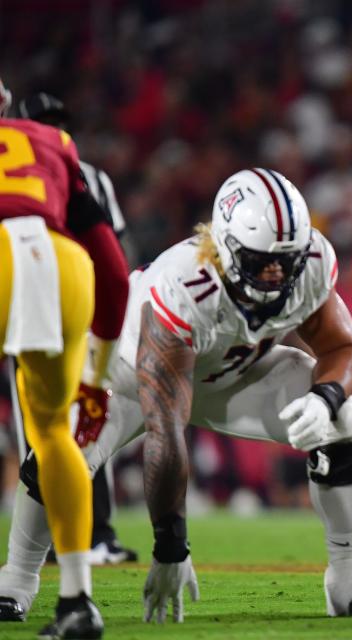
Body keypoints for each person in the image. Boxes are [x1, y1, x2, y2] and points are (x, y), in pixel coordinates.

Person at [0, 169, 352, 623]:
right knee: (61, 448)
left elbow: (342, 347)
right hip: (127, 381)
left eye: (285, 261)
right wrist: (171, 545)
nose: (274, 275)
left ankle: (348, 578)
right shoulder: (183, 288)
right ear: (223, 249)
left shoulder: (308, 264)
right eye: (259, 261)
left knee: (344, 419)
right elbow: (165, 432)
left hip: (231, 375)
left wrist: (324, 398)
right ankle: (17, 576)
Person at [0, 78, 130, 638]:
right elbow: (115, 270)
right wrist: (97, 382)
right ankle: (76, 601)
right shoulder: (53, 141)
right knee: (53, 435)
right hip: (56, 261)